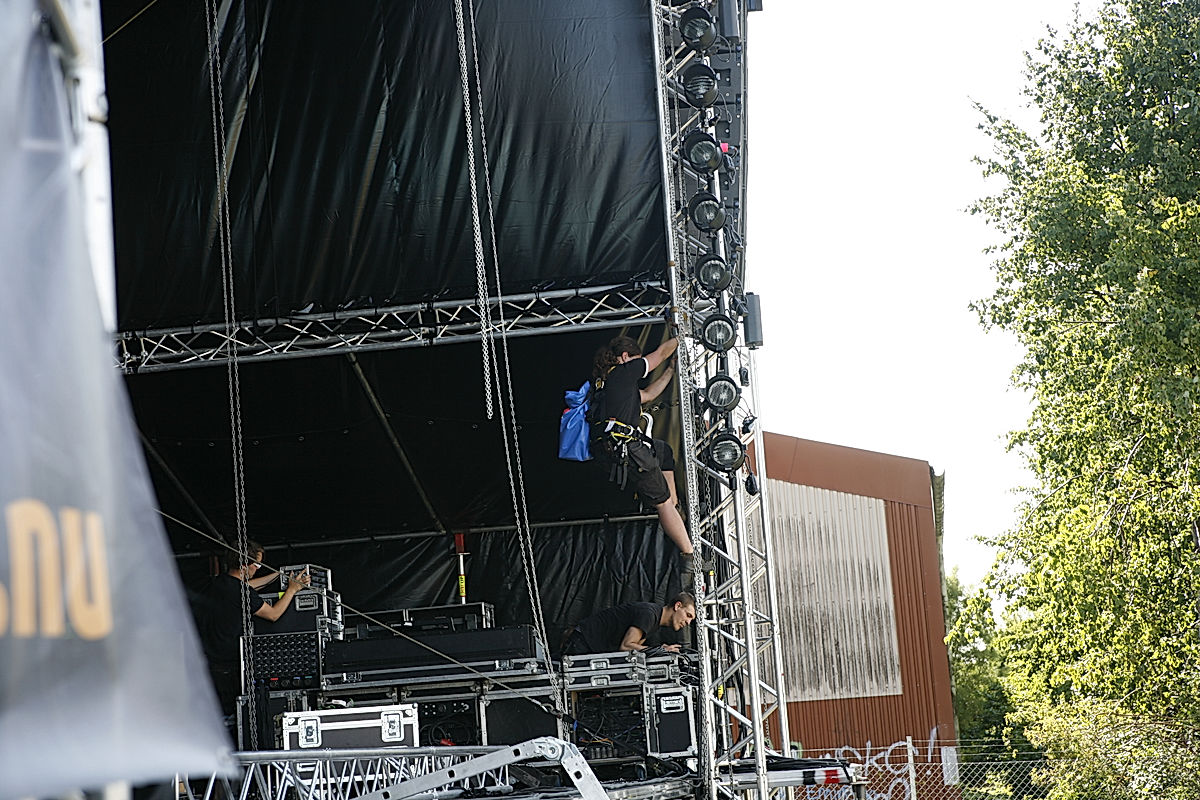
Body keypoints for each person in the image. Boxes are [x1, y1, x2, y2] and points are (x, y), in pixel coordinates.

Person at [590, 334, 697, 574]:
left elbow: (647, 395)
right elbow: (659, 354)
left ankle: (674, 504)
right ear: (627, 357)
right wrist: (679, 337)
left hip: (613, 451)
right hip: (628, 450)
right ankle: (689, 555)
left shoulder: (608, 385)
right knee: (662, 504)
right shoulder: (624, 371)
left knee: (662, 450)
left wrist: (670, 371)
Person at [192, 540, 312, 719]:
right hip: (228, 667)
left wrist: (278, 576)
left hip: (205, 663)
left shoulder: (218, 583)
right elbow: (273, 614)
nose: (257, 569)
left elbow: (246, 587)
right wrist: (292, 590)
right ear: (244, 566)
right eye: (256, 565)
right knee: (232, 717)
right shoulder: (239, 592)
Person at [563, 592, 696, 655]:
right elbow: (626, 646)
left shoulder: (654, 620)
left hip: (587, 645)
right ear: (678, 606)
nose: (688, 622)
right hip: (581, 642)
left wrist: (660, 649)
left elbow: (634, 647)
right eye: (688, 615)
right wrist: (660, 650)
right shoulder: (649, 615)